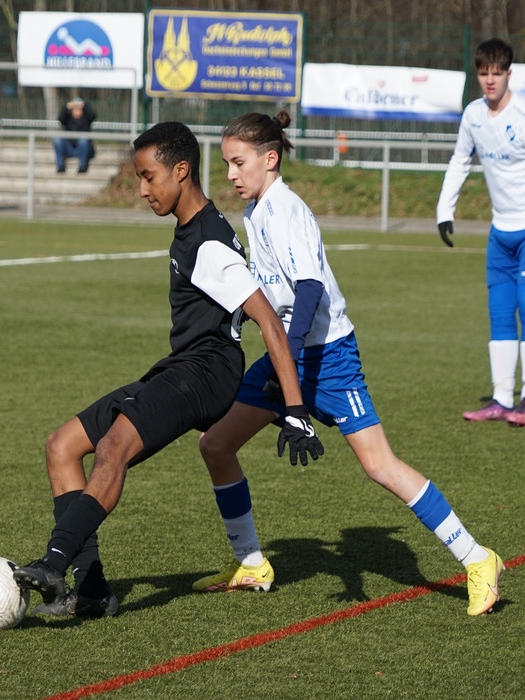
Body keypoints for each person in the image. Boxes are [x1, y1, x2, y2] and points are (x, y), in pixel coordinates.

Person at [191, 110, 503, 617]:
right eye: (227, 163)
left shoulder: (285, 210)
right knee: (216, 444)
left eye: (238, 162)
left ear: (269, 159)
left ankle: (477, 558)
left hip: (327, 357)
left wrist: (290, 362)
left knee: (379, 465)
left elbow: (310, 289)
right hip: (286, 355)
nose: (230, 174)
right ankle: (250, 563)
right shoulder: (257, 210)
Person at [12, 121, 324, 618]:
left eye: (148, 177)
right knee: (61, 446)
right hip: (181, 366)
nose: (143, 190)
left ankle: (53, 563)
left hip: (207, 374)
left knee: (113, 447)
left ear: (181, 170)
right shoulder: (190, 230)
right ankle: (92, 592)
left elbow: (269, 322)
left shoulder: (209, 243)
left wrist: (294, 408)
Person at [436, 38, 525, 427]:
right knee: (499, 312)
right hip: (501, 233)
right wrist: (445, 208)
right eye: (483, 73)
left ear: (509, 74)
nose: (490, 80)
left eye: (497, 73)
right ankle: (500, 398)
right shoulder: (473, 115)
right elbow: (460, 160)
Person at [53, 96, 96, 174]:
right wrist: (66, 106)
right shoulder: (68, 118)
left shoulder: (86, 118)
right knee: (57, 139)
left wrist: (84, 105)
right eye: (75, 109)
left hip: (84, 149)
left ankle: (82, 166)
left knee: (83, 139)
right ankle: (60, 166)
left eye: (79, 109)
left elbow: (93, 115)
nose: (77, 111)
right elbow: (60, 119)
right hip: (70, 148)